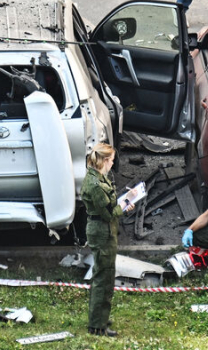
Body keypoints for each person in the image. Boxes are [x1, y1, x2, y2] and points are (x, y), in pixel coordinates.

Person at [81, 143, 135, 337]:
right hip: (102, 231)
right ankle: (97, 325)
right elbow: (108, 213)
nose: (112, 164)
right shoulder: (95, 184)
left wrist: (123, 202)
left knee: (106, 275)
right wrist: (127, 203)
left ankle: (101, 317)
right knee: (103, 278)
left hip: (105, 231)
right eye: (111, 160)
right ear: (104, 160)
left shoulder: (98, 178)